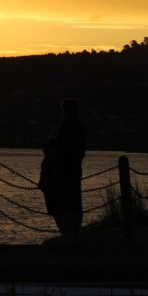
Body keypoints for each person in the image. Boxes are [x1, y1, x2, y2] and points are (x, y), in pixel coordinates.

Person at [54, 98, 86, 245]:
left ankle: (68, 235)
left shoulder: (68, 126)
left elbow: (63, 148)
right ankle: (73, 234)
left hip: (66, 169)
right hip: (74, 168)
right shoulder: (78, 126)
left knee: (65, 202)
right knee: (74, 202)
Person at [37, 137, 63, 234]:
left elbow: (49, 174)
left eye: (46, 147)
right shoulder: (49, 159)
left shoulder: (51, 160)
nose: (44, 149)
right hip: (49, 188)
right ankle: (65, 232)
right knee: (56, 211)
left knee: (56, 212)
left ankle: (64, 232)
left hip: (51, 189)